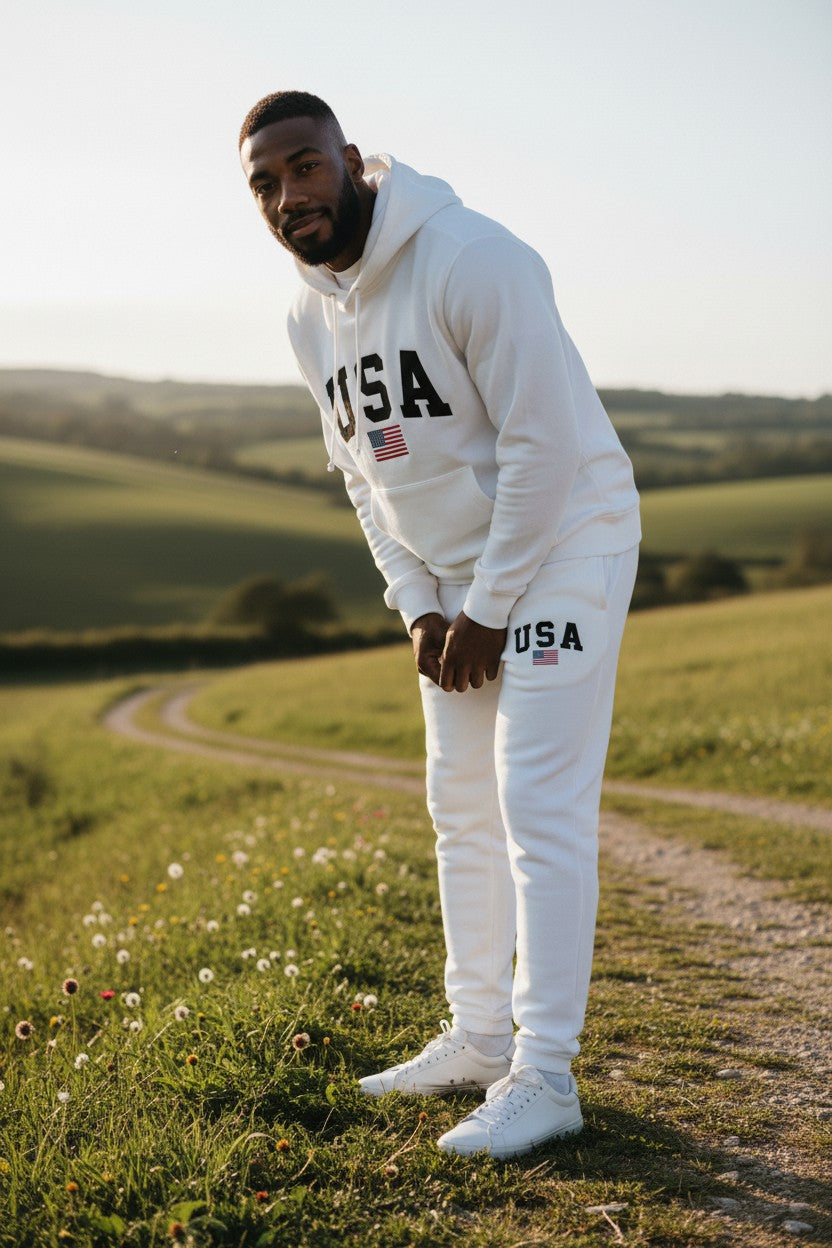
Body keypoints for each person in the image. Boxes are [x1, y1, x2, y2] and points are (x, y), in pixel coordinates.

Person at [239, 91, 640, 1160]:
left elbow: (544, 451)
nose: (289, 197)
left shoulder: (472, 259)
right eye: (265, 185)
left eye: (305, 168)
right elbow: (365, 477)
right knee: (457, 806)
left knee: (533, 804)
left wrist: (490, 609)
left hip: (565, 546)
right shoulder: (302, 313)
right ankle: (474, 1037)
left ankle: (544, 1075)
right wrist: (419, 605)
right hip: (456, 588)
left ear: (352, 160)